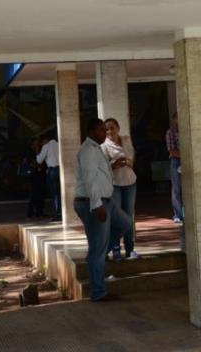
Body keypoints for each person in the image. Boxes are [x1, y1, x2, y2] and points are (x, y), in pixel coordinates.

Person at [75, 118, 132, 302]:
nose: (104, 133)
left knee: (125, 223)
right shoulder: (88, 151)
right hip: (94, 202)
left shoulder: (95, 148)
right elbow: (89, 179)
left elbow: (99, 173)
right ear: (91, 131)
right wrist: (96, 204)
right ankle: (98, 292)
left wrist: (111, 166)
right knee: (98, 250)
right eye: (101, 130)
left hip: (107, 202)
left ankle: (96, 254)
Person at [102, 118, 138, 261]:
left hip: (130, 181)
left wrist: (126, 161)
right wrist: (114, 163)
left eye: (112, 127)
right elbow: (104, 166)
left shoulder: (126, 140)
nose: (110, 131)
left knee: (129, 217)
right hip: (114, 184)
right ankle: (115, 249)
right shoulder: (104, 146)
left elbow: (131, 159)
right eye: (107, 129)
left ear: (118, 127)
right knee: (117, 218)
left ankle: (130, 249)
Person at [36, 132, 61, 222]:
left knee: (55, 194)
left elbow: (39, 160)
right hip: (61, 170)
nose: (41, 144)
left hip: (52, 171)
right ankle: (61, 213)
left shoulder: (46, 146)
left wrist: (37, 150)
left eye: (41, 142)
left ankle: (57, 215)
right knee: (61, 193)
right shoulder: (59, 144)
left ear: (45, 140)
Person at [166, 112, 183, 223]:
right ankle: (177, 214)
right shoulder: (170, 133)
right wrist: (185, 155)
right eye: (178, 118)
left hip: (186, 160)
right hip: (176, 161)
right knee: (176, 188)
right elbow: (171, 151)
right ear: (174, 120)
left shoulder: (188, 131)